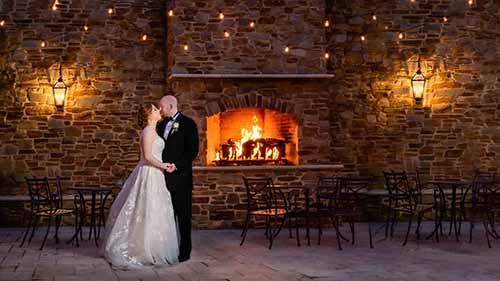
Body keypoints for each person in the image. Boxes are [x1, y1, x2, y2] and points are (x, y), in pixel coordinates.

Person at [102, 103, 179, 269]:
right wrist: (165, 166)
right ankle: (141, 248)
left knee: (156, 210)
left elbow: (154, 156)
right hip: (148, 175)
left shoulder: (154, 131)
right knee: (145, 209)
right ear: (150, 115)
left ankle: (154, 247)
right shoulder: (147, 131)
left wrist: (165, 165)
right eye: (155, 109)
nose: (159, 110)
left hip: (156, 174)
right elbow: (147, 157)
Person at [157, 95, 199, 262]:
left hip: (180, 178)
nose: (160, 110)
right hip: (161, 178)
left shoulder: (188, 124)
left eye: (161, 107)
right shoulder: (160, 125)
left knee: (183, 216)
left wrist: (177, 165)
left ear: (171, 105)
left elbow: (192, 151)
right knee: (165, 216)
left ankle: (185, 250)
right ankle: (166, 249)